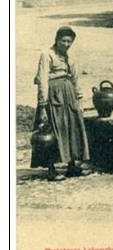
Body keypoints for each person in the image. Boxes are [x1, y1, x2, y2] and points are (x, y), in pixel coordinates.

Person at [31, 26, 91, 181]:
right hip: (53, 95)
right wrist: (43, 104)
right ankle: (51, 169)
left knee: (72, 127)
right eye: (63, 41)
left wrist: (79, 98)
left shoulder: (69, 56)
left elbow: (75, 78)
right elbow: (43, 79)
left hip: (68, 94)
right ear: (56, 40)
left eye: (69, 42)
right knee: (52, 130)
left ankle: (73, 166)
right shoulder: (47, 54)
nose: (66, 44)